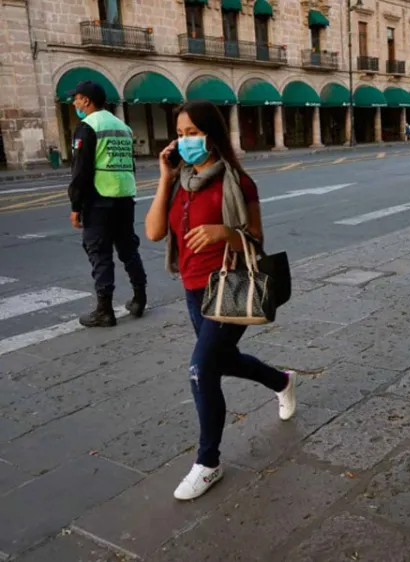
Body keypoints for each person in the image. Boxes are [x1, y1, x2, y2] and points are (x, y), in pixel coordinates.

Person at [144, 100, 297, 501]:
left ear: (211, 134)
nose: (185, 140)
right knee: (222, 360)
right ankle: (282, 381)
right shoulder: (179, 181)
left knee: (201, 368)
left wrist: (225, 234)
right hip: (194, 288)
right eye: (179, 133)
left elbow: (257, 240)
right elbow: (155, 232)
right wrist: (164, 178)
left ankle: (207, 463)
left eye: (192, 132)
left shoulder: (238, 182)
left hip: (229, 285)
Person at [67, 81, 147, 327]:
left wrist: (76, 206)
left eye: (77, 98)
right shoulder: (122, 126)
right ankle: (139, 298)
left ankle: (104, 310)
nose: (75, 103)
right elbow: (129, 163)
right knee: (128, 249)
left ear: (88, 101)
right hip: (124, 195)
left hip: (99, 198)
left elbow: (81, 171)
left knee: (99, 252)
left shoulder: (88, 126)